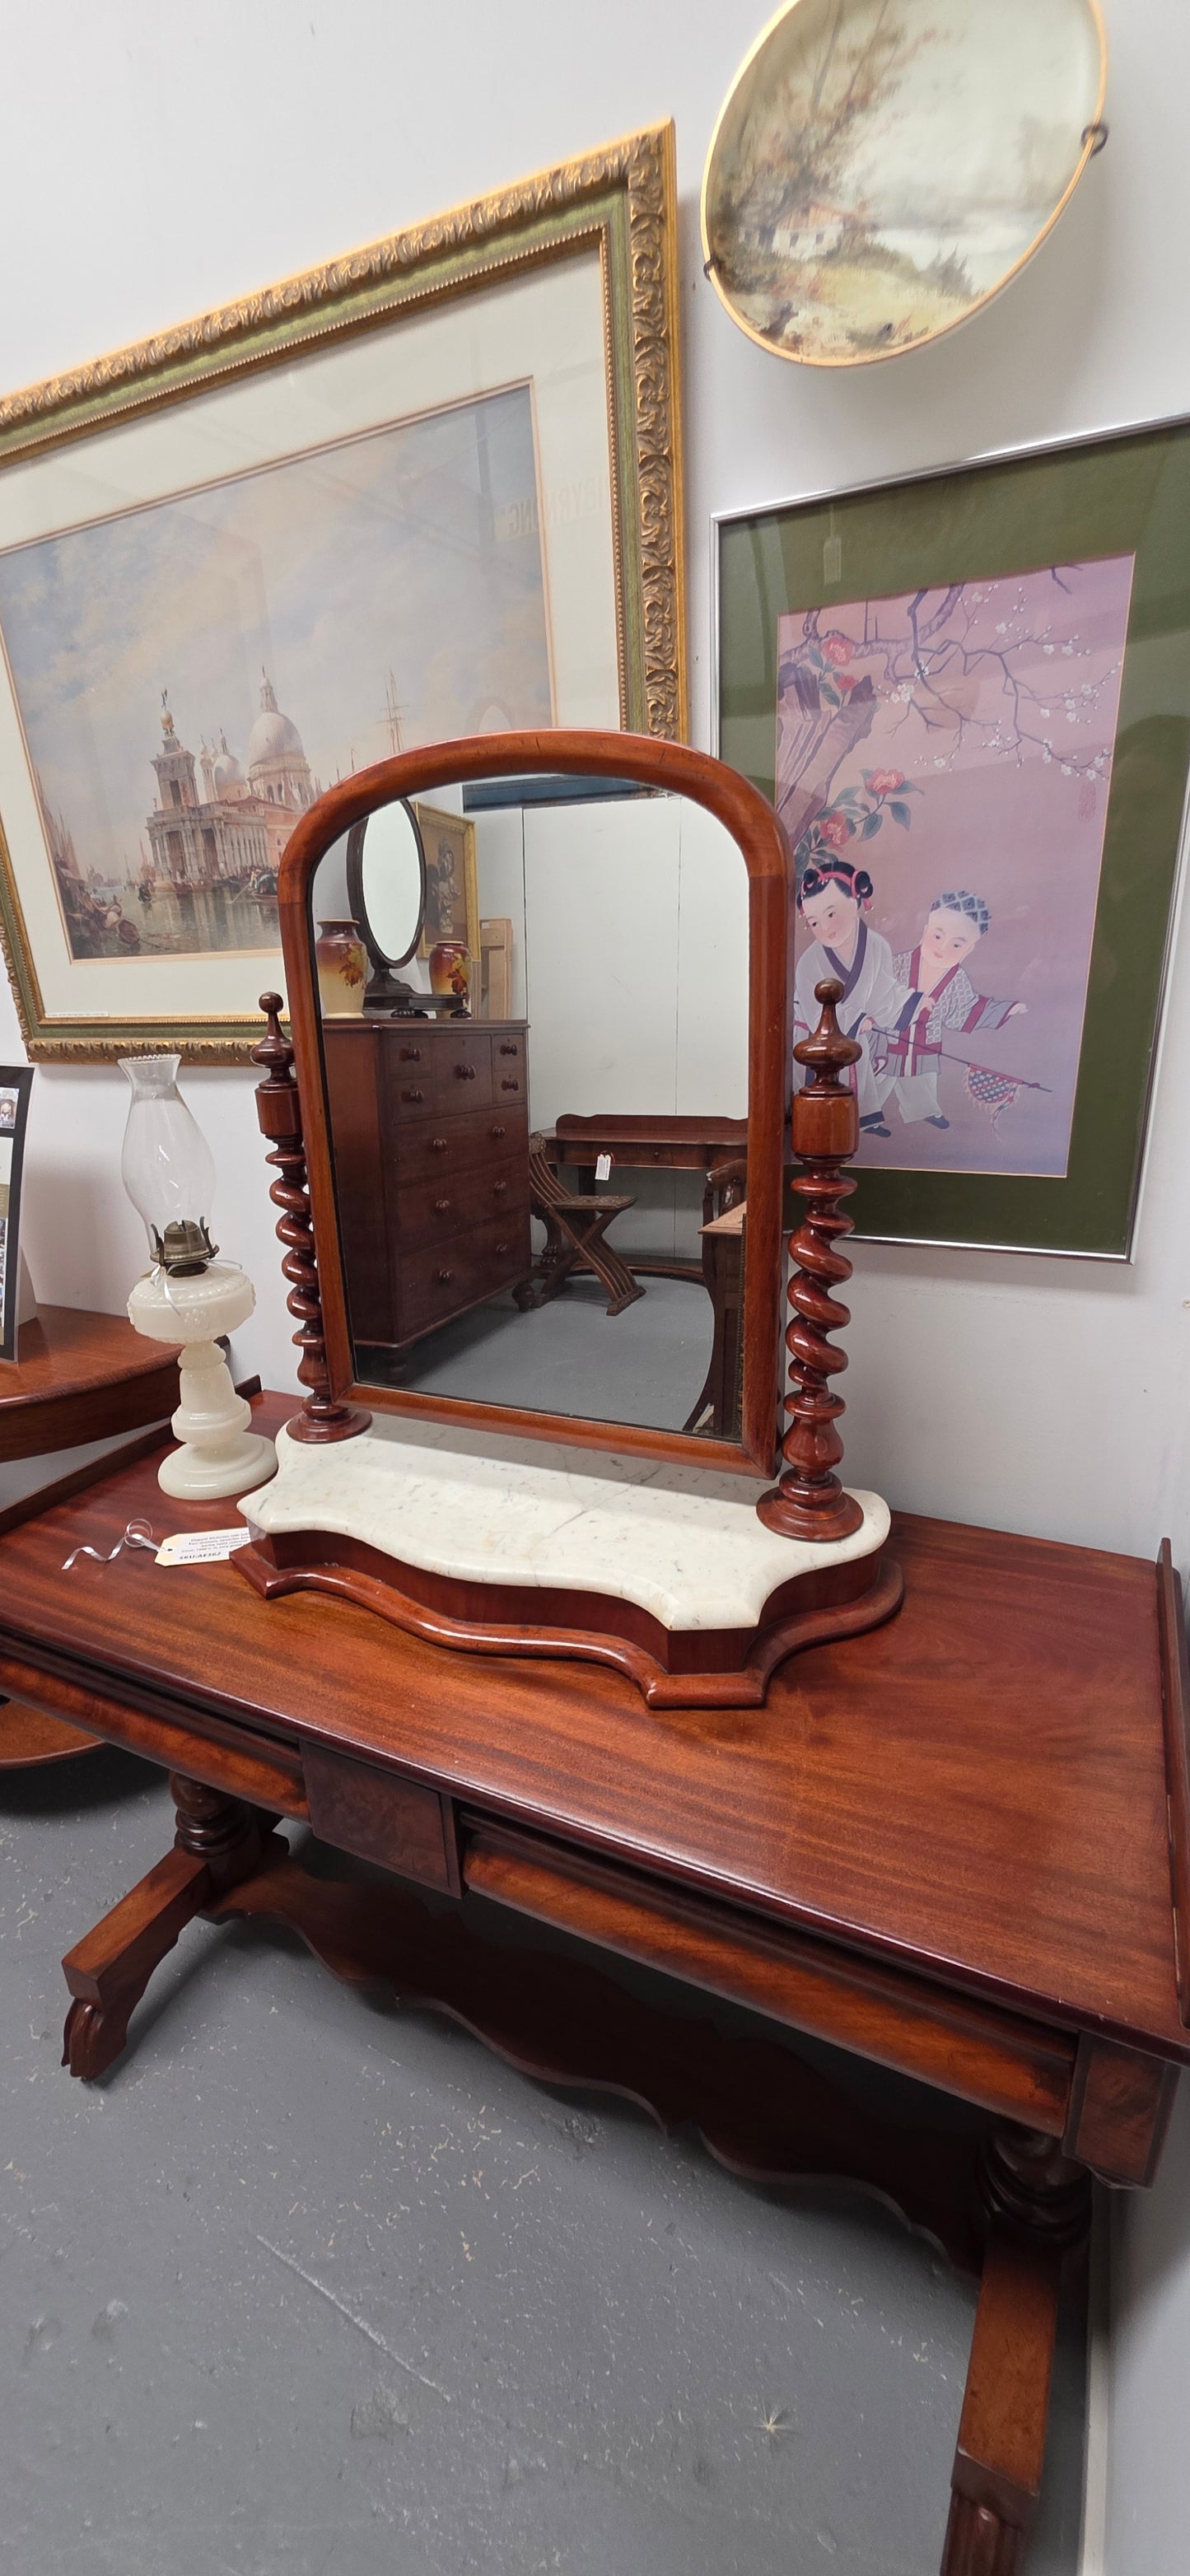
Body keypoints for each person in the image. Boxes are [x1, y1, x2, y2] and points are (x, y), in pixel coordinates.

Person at [873, 889, 1024, 1130]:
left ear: (969, 949)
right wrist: (909, 1005)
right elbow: (879, 993)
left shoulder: (957, 979)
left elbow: (967, 1009)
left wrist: (1006, 1010)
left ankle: (925, 1110)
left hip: (926, 1041)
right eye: (937, 936)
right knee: (879, 1079)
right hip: (890, 1038)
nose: (942, 947)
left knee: (922, 1079)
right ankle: (867, 1117)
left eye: (956, 944)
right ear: (925, 931)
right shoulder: (898, 964)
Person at [794, 857, 909, 1132]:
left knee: (861, 1072)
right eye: (814, 922)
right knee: (822, 1097)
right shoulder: (809, 962)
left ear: (856, 901)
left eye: (831, 914)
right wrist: (858, 1019)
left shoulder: (877, 946)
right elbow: (815, 1014)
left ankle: (865, 1122)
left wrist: (905, 1009)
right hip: (816, 1039)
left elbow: (883, 989)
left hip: (857, 1032)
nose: (825, 928)